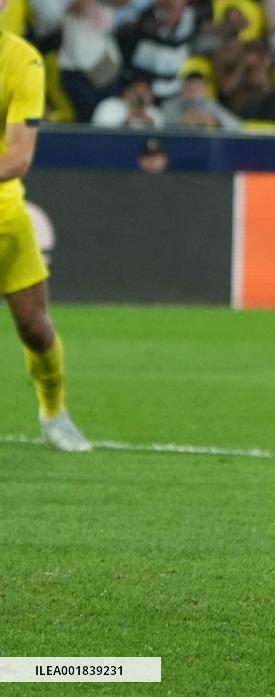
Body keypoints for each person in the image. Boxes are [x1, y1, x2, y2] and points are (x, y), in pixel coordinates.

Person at [0, 20, 91, 451]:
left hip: (3, 213)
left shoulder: (22, 61)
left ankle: (54, 412)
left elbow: (17, 158)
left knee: (35, 327)